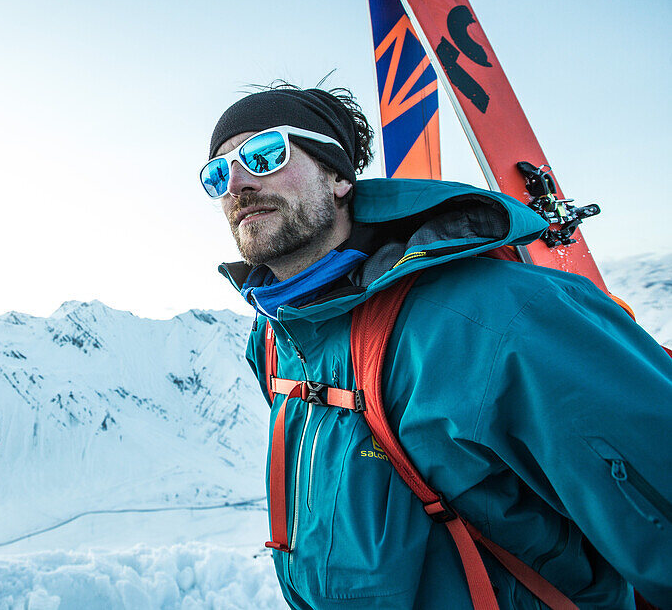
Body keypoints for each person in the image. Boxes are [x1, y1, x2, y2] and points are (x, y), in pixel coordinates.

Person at [201, 84, 672, 609]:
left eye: (264, 155)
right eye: (217, 174)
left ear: (336, 176)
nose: (236, 183)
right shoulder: (275, 339)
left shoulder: (500, 319)